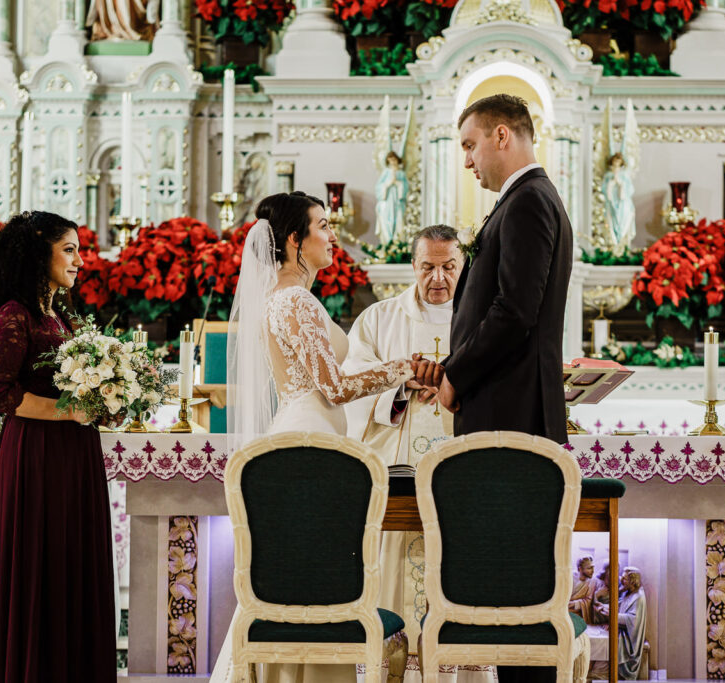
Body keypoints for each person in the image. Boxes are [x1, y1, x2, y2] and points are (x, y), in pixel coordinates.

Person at [214, 191, 416, 683]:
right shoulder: (295, 300)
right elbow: (334, 386)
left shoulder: (280, 297)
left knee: (303, 579)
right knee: (319, 581)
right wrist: (403, 368)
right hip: (312, 443)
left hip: (305, 433)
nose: (333, 235)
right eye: (323, 226)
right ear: (293, 241)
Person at [418, 93, 573, 683]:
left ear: (502, 135)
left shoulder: (529, 202)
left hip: (512, 422)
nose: (467, 161)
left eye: (470, 145)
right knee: (510, 587)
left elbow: (514, 312)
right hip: (510, 415)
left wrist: (456, 375)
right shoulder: (524, 202)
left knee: (516, 592)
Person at [344, 225, 493, 682]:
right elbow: (349, 389)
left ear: (462, 266)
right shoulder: (378, 319)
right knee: (393, 574)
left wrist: (455, 389)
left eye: (449, 267)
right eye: (428, 267)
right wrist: (400, 387)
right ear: (413, 266)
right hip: (397, 475)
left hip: (461, 474)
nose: (438, 278)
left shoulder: (485, 322)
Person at [0, 211, 116, 682]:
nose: (80, 260)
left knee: (73, 564)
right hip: (37, 456)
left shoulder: (59, 314)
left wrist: (111, 396)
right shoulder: (14, 314)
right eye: (70, 249)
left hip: (74, 455)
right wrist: (70, 412)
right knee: (44, 565)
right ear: (41, 254)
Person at [600, 153, 636, 254]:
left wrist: (620, 184)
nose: (616, 167)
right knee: (612, 224)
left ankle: (623, 248)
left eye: (618, 165)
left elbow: (626, 194)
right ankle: (613, 248)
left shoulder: (625, 177)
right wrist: (611, 184)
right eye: (614, 164)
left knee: (624, 224)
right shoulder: (608, 177)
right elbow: (606, 194)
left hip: (623, 206)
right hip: (611, 206)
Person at [615, 567, 647, 681]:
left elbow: (633, 620)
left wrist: (612, 617)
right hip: (623, 631)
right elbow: (619, 606)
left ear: (632, 581)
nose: (621, 580)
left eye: (624, 579)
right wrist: (604, 609)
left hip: (630, 638)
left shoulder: (639, 597)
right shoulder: (628, 592)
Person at [375, 151, 409, 245]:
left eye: (394, 160)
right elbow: (379, 186)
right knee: (386, 221)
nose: (392, 162)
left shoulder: (401, 174)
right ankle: (387, 243)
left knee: (398, 222)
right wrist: (388, 184)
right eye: (390, 160)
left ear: (397, 160)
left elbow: (405, 187)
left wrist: (398, 183)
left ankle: (397, 244)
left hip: (397, 202)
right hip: (387, 201)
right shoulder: (386, 172)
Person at [568, 557, 599, 624]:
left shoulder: (592, 582)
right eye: (589, 568)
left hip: (579, 614)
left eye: (593, 567)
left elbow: (588, 601)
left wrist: (574, 604)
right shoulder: (569, 577)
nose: (593, 571)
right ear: (580, 569)